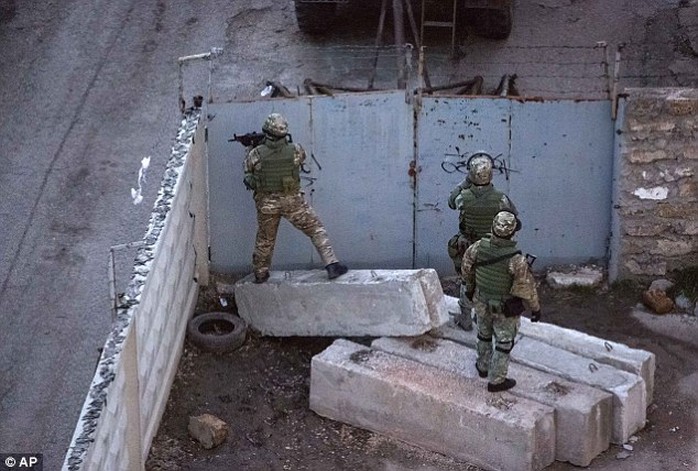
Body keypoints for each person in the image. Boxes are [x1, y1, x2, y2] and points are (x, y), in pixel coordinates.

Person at [243, 113, 348, 283]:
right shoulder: (296, 149)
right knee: (315, 229)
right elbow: (298, 159)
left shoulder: (256, 153)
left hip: (267, 204)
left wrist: (251, 148)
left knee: (265, 240)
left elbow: (248, 172)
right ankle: (332, 265)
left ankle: (261, 273)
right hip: (292, 201)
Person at [461, 210, 541, 393]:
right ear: (513, 233)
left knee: (483, 335)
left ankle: (482, 366)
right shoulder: (517, 260)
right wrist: (536, 309)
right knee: (504, 344)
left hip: (481, 302)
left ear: (492, 228)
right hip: (504, 309)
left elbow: (466, 269)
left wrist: (470, 288)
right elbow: (526, 289)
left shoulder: (478, 247)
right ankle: (496, 381)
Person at [447, 152, 518, 331]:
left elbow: (451, 201)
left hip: (467, 245)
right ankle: (483, 319)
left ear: (472, 174)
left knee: (466, 280)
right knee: (486, 282)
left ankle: (465, 318)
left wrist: (466, 181)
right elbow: (514, 219)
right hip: (491, 247)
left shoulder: (463, 197)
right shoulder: (500, 197)